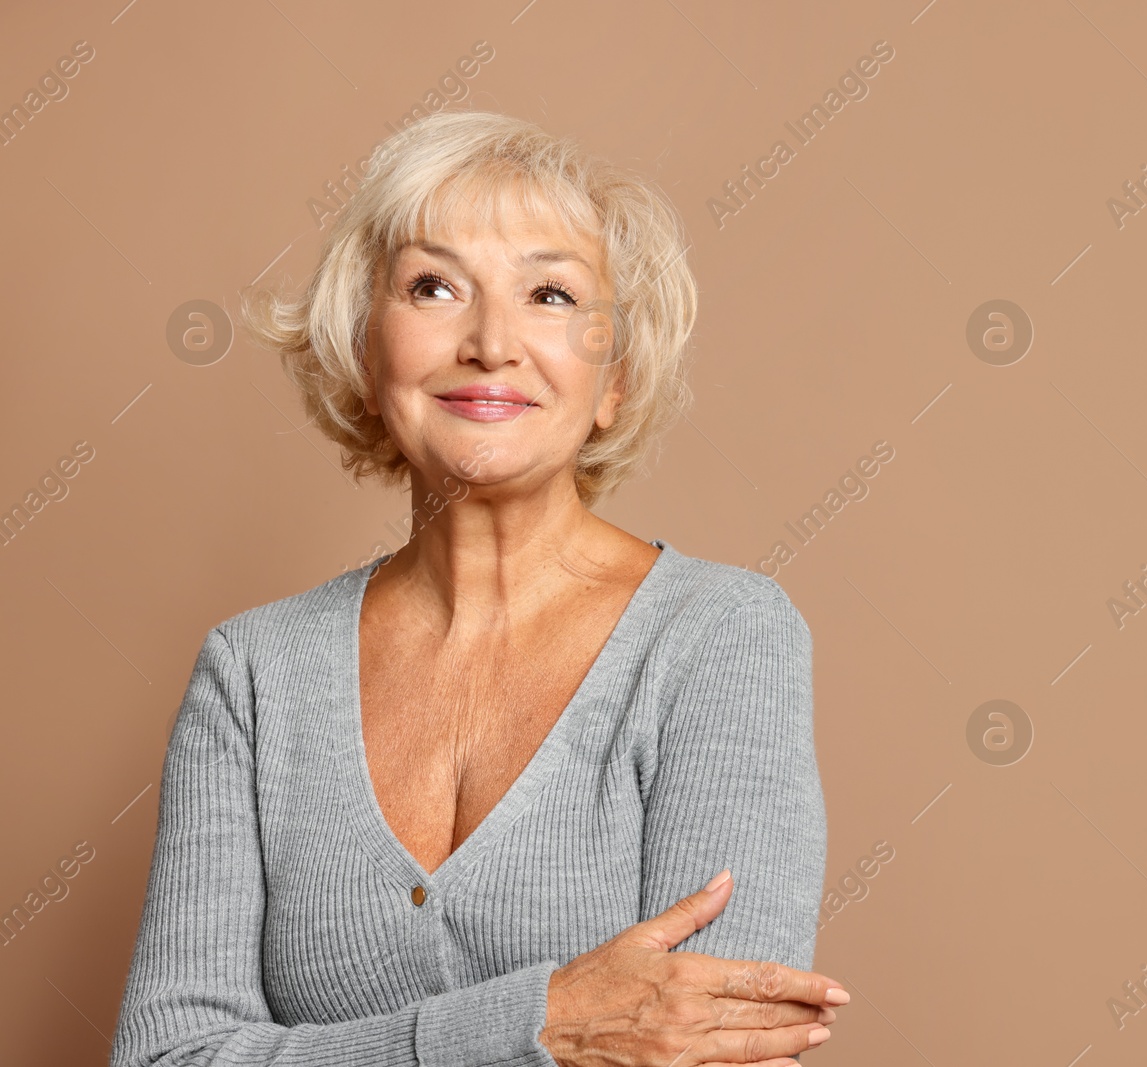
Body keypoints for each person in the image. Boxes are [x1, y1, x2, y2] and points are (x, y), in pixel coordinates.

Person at [110, 109, 844, 1067]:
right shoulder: (252, 672)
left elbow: (716, 1053)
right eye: (434, 285)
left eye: (549, 293)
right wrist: (537, 1028)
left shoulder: (720, 637)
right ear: (366, 353)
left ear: (613, 376)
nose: (492, 341)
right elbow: (167, 1058)